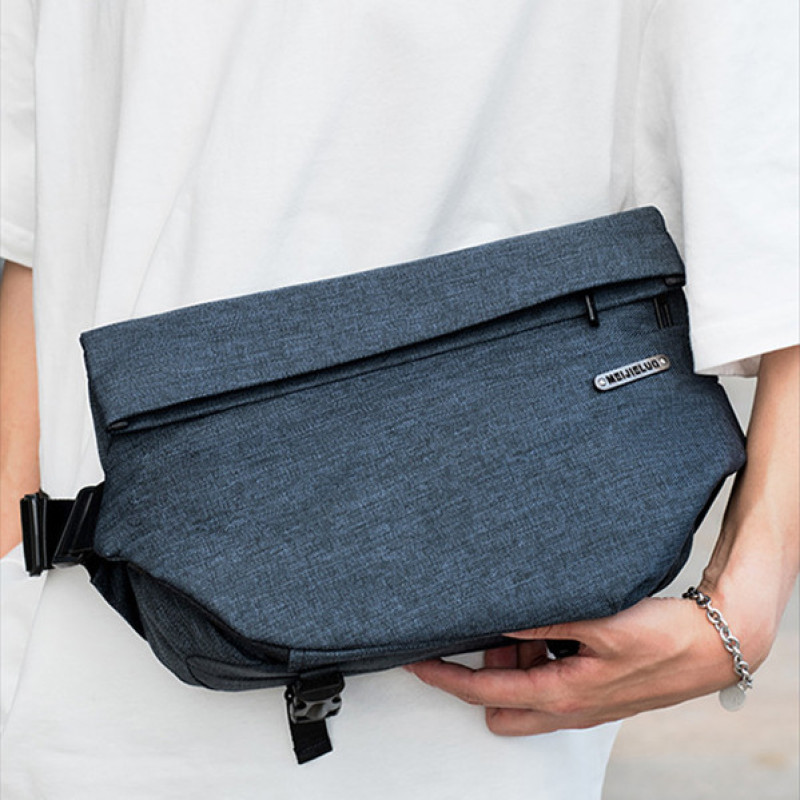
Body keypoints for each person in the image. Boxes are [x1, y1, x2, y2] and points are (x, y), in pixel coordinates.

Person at [1, 1, 797, 797]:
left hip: (447, 697)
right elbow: (47, 212)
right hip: (63, 637)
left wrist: (746, 599)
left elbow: (768, 169)